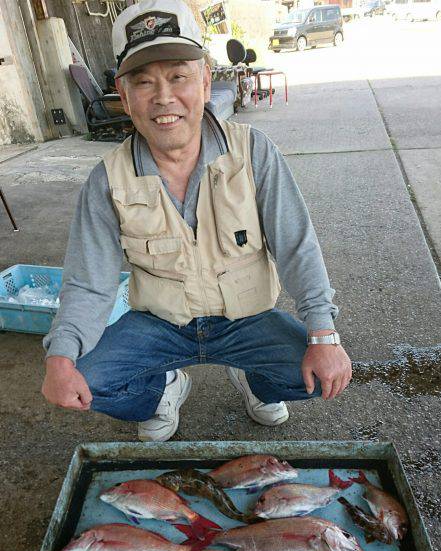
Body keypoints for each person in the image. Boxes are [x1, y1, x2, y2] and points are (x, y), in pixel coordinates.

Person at [42, 0, 352, 442]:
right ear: (124, 97)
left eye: (178, 76)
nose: (163, 97)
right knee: (83, 377)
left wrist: (324, 334)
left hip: (247, 318)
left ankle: (254, 378)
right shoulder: (106, 180)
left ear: (206, 81)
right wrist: (60, 357)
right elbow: (88, 284)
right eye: (144, 82)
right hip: (159, 325)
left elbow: (296, 246)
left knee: (324, 369)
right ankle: (163, 385)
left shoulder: (253, 152)